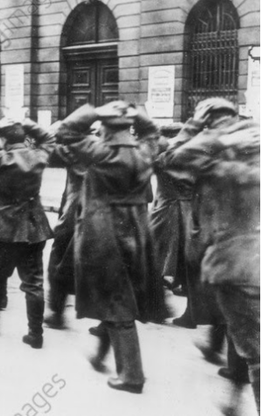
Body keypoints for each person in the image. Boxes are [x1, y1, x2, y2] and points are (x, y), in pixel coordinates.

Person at [56, 102, 167, 394]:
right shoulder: (144, 150)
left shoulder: (100, 152)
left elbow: (66, 132)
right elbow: (152, 132)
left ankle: (132, 375)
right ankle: (101, 355)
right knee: (118, 293)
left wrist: (95, 110)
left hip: (104, 232)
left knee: (116, 301)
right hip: (136, 229)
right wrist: (136, 113)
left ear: (105, 129)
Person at [162, 98, 260, 413]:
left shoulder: (217, 158)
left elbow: (170, 159)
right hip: (249, 258)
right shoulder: (254, 146)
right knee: (245, 331)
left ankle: (239, 394)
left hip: (235, 261)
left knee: (253, 347)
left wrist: (196, 126)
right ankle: (234, 390)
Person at [0, 117, 55, 349]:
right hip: (33, 225)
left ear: (4, 139)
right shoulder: (38, 156)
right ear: (24, 137)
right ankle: (35, 333)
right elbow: (48, 138)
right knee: (33, 283)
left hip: (3, 227)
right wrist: (26, 123)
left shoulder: (0, 159)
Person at [44, 133, 87, 329]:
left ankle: (57, 313)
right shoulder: (110, 151)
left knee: (59, 264)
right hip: (103, 217)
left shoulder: (77, 152)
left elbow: (49, 143)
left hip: (75, 217)